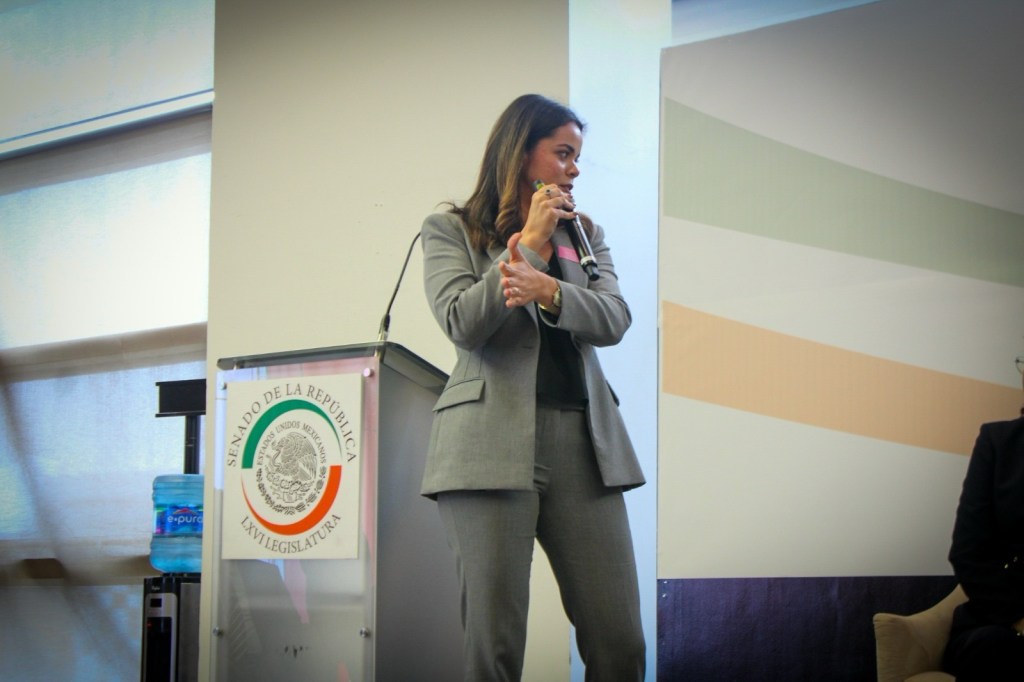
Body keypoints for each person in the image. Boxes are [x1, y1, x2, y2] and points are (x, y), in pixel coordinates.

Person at [419, 93, 646, 681]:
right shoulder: (452, 228)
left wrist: (550, 290)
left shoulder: (585, 234)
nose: (574, 169)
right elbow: (462, 323)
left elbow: (615, 319)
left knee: (621, 642)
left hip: (585, 446)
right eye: (563, 153)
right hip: (486, 444)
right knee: (493, 647)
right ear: (521, 153)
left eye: (577, 158)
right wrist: (528, 243)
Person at [943, 356, 1024, 681]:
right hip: (1001, 619)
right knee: (992, 647)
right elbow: (967, 552)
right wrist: (1017, 617)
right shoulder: (998, 441)